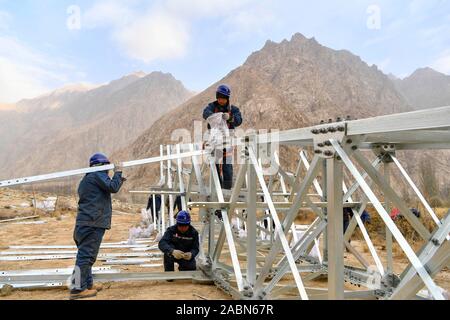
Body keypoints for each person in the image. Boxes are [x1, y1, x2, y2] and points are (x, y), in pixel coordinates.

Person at [69, 153, 125, 300]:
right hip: (92, 223)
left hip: (85, 224)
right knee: (85, 257)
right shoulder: (96, 175)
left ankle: (87, 285)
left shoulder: (87, 179)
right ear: (102, 166)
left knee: (88, 257)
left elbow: (107, 188)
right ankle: (77, 288)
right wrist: (118, 172)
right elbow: (113, 186)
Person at [203, 84, 242, 190]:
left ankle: (227, 190)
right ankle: (218, 189)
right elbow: (205, 113)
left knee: (227, 167)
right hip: (214, 141)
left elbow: (239, 120)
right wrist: (216, 116)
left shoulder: (233, 109)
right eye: (219, 98)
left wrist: (230, 118)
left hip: (227, 141)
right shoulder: (212, 107)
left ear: (227, 99)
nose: (221, 100)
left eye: (223, 98)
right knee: (214, 166)